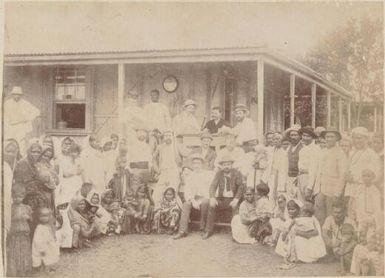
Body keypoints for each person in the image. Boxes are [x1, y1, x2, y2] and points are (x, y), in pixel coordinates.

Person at [311, 127, 347, 225]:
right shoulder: (322, 152)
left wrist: (337, 193)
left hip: (333, 191)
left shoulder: (340, 153)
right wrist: (315, 189)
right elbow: (317, 171)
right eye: (327, 137)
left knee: (331, 217)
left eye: (332, 137)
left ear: (336, 139)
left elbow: (342, 174)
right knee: (319, 216)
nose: (329, 139)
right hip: (321, 189)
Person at [173, 154, 214, 240]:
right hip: (193, 198)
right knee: (186, 204)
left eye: (198, 163)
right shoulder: (190, 176)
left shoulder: (207, 174)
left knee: (205, 202)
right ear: (192, 165)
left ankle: (203, 228)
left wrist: (201, 199)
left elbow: (210, 189)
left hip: (204, 197)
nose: (196, 165)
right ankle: (182, 231)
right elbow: (187, 191)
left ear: (202, 164)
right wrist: (193, 200)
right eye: (194, 163)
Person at [207, 155, 245, 239]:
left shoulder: (237, 173)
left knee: (236, 210)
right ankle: (209, 230)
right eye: (224, 164)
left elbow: (241, 187)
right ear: (221, 166)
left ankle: (236, 233)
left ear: (231, 165)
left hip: (233, 199)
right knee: (212, 205)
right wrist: (212, 197)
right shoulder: (219, 174)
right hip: (222, 199)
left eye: (228, 164)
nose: (226, 166)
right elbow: (212, 186)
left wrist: (236, 199)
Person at [345, 127, 380, 216]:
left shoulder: (372, 154)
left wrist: (356, 179)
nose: (356, 141)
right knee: (351, 215)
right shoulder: (352, 153)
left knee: (363, 217)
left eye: (359, 138)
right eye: (354, 138)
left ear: (366, 139)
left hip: (365, 191)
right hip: (352, 190)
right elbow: (349, 169)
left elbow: (376, 175)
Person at [13, 140, 46, 234]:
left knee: (36, 221)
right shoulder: (23, 163)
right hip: (26, 197)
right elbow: (19, 182)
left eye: (38, 152)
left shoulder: (38, 163)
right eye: (33, 151)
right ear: (29, 152)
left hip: (37, 197)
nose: (36, 154)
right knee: (27, 222)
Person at [4, 86, 40, 155]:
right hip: (10, 127)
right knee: (10, 145)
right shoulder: (7, 103)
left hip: (21, 127)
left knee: (21, 146)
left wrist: (27, 118)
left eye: (18, 94)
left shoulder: (25, 103)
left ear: (21, 95)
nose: (16, 96)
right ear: (12, 95)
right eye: (15, 94)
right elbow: (4, 116)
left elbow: (37, 111)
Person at [6, 185, 33, 277]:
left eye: (20, 197)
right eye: (15, 197)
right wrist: (16, 217)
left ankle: (23, 270)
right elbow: (8, 218)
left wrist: (28, 217)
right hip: (15, 233)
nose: (17, 199)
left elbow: (32, 219)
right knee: (15, 251)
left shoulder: (27, 207)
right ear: (12, 196)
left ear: (23, 196)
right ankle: (15, 270)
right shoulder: (10, 208)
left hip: (24, 233)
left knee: (24, 251)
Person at [350, 169, 382, 234]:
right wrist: (354, 213)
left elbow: (377, 208)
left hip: (371, 218)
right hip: (361, 217)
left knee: (370, 236)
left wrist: (373, 218)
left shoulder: (375, 191)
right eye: (363, 175)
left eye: (368, 176)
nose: (365, 178)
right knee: (360, 235)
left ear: (372, 178)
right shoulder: (359, 189)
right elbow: (355, 202)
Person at [32, 208, 60, 274]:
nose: (44, 218)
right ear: (38, 217)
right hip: (42, 246)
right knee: (44, 257)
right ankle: (45, 269)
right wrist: (41, 248)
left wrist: (54, 238)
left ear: (49, 217)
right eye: (42, 216)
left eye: (46, 216)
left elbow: (51, 233)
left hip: (49, 244)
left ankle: (50, 267)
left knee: (50, 256)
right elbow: (37, 239)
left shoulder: (48, 225)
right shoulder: (39, 227)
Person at [3, 139, 22, 235]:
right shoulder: (3, 166)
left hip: (13, 199)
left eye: (13, 152)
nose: (11, 154)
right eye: (8, 151)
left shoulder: (16, 165)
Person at [297, 127, 320, 203]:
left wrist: (310, 187)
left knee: (308, 202)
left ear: (312, 137)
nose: (305, 138)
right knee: (300, 202)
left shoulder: (316, 149)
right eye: (303, 135)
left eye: (308, 136)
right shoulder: (302, 150)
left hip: (309, 178)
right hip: (301, 178)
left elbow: (314, 169)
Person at [127, 126, 153, 193]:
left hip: (145, 170)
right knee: (135, 188)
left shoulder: (148, 146)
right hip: (135, 170)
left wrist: (149, 168)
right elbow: (129, 158)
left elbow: (150, 158)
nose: (142, 135)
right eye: (140, 133)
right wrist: (130, 170)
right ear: (137, 135)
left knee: (144, 188)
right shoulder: (132, 146)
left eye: (144, 133)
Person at [285, 126, 303, 200]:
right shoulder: (288, 148)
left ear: (299, 136)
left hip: (298, 177)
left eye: (295, 135)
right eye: (292, 135)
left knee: (298, 197)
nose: (293, 137)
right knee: (289, 197)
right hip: (289, 176)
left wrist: (299, 176)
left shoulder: (303, 147)